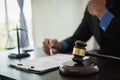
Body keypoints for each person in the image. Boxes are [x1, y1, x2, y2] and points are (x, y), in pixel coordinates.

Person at [42, 0, 120, 57]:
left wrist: (102, 13)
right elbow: (79, 36)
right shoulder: (92, 6)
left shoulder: (97, 8)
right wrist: (60, 46)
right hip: (104, 64)